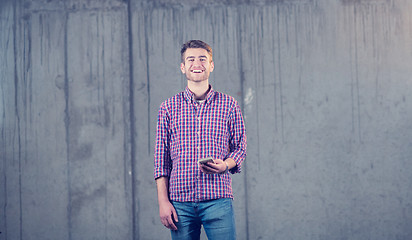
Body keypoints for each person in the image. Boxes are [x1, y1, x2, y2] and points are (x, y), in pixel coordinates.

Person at [154, 40, 247, 240]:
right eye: (191, 59)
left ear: (211, 65)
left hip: (218, 200)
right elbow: (161, 160)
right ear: (183, 67)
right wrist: (163, 201)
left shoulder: (229, 105)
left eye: (203, 59)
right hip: (180, 202)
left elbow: (240, 147)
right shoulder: (168, 107)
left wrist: (226, 165)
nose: (197, 63)